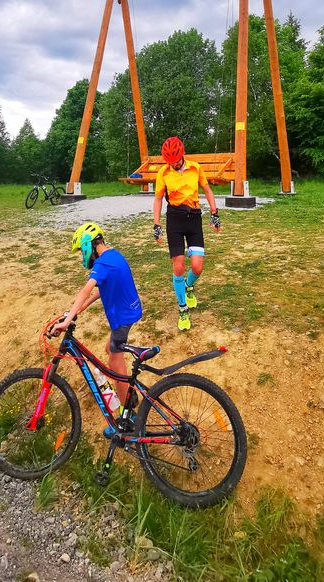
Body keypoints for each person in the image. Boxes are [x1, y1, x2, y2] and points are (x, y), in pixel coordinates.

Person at [54, 222, 142, 431]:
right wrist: (78, 310)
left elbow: (86, 289)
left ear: (88, 246)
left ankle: (127, 413)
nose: (80, 257)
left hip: (122, 318)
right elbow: (101, 290)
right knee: (110, 350)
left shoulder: (102, 265)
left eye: (80, 252)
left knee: (115, 360)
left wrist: (68, 320)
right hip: (128, 313)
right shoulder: (112, 256)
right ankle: (128, 396)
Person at [153, 136, 221, 331]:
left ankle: (189, 287)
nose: (173, 164)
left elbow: (207, 190)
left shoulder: (195, 168)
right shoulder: (163, 173)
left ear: (182, 155)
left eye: (175, 160)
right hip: (174, 218)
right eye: (169, 161)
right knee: (178, 266)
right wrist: (156, 225)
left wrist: (214, 213)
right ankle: (182, 309)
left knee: (197, 267)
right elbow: (158, 200)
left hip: (194, 217)